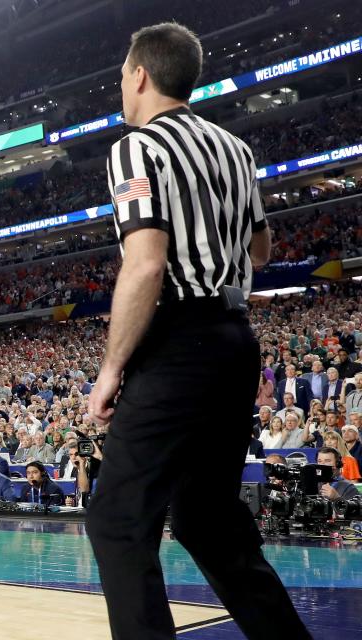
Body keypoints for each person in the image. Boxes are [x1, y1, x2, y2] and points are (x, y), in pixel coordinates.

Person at [85, 23, 309, 639]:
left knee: (118, 519)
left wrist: (110, 372)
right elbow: (261, 249)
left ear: (139, 75)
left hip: (180, 338)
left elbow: (147, 263)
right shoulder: (234, 148)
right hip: (236, 337)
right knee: (208, 519)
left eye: (122, 76)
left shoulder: (137, 147)